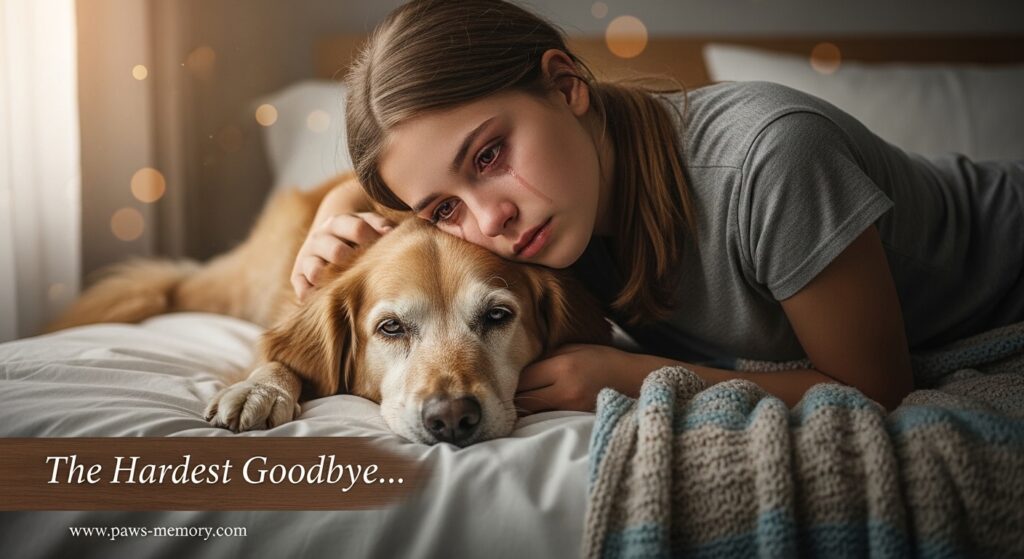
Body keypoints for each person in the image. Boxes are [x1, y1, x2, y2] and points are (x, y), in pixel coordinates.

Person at [290, 0, 1024, 414]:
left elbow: (878, 389)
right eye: (445, 208)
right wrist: (337, 211)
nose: (491, 222)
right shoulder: (552, 210)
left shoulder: (771, 163)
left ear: (567, 85)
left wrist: (629, 374)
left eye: (489, 155)